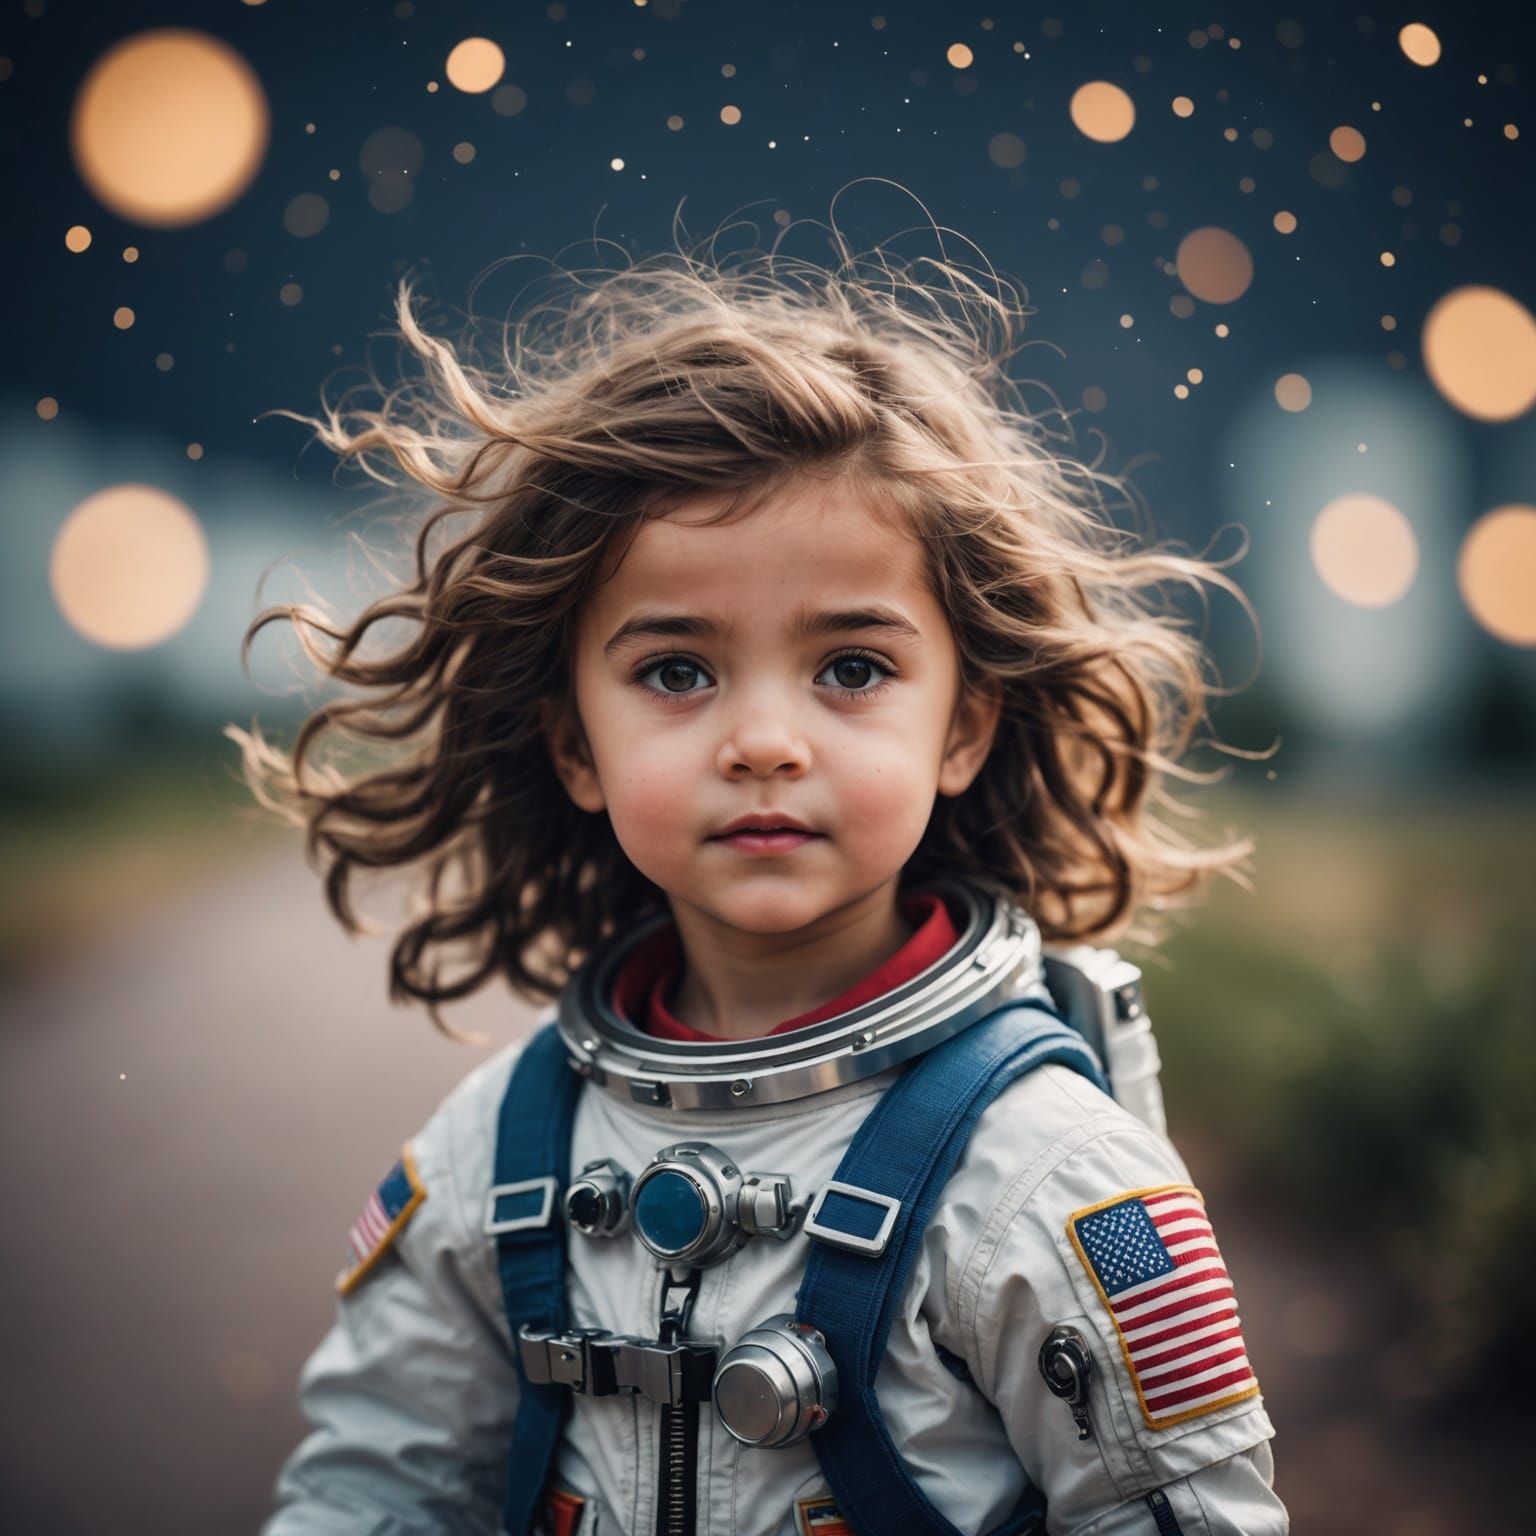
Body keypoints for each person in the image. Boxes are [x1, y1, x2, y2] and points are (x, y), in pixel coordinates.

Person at [233, 213, 1286, 1536]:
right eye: (677, 671)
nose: (767, 743)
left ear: (962, 726)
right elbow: (369, 1489)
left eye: (852, 667)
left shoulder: (1054, 1178)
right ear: (575, 744)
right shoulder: (496, 1152)